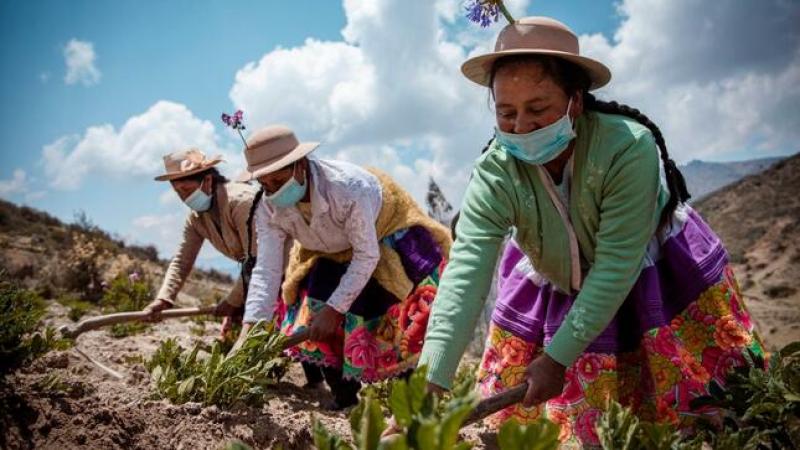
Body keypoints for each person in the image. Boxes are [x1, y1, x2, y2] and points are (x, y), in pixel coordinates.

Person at [418, 17, 765, 447]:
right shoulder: (496, 174)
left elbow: (617, 264)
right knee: (580, 427)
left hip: (652, 273)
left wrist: (556, 358)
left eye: (538, 109)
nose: (521, 127)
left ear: (575, 103)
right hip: (559, 278)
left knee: (701, 412)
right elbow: (465, 274)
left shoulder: (626, 147)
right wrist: (430, 382)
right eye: (506, 113)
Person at [239, 125, 452, 410]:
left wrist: (334, 309)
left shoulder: (347, 188)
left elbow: (366, 256)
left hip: (383, 236)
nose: (274, 192)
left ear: (300, 165)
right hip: (326, 250)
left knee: (392, 319)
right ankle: (344, 398)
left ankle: (411, 403)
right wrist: (250, 331)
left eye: (279, 181)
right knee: (313, 316)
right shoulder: (268, 208)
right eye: (266, 185)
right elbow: (266, 269)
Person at [144, 149, 269, 337]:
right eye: (178, 192)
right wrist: (164, 298)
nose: (184, 198)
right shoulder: (196, 218)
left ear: (208, 181)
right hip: (257, 281)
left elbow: (258, 258)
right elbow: (182, 261)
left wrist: (234, 301)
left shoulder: (241, 201)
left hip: (286, 274)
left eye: (186, 189)